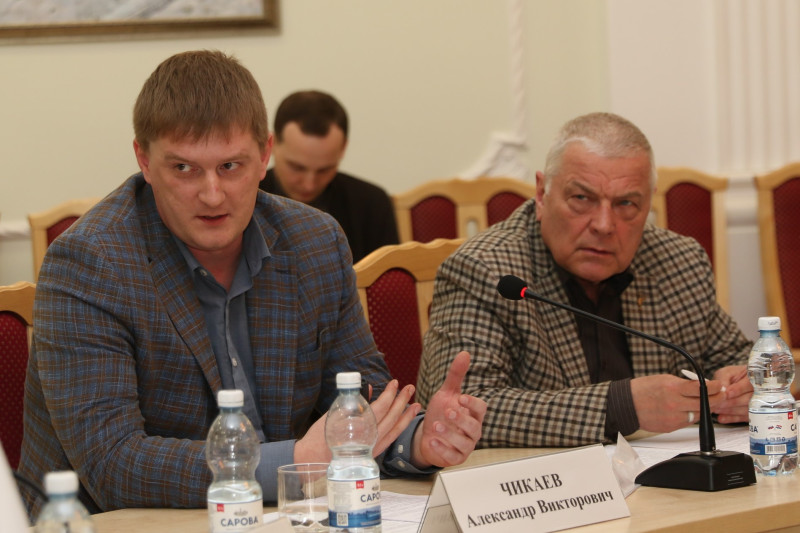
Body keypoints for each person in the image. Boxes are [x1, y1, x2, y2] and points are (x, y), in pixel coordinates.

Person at [18, 50, 486, 518]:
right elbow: (113, 463)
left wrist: (417, 441)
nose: (212, 195)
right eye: (183, 168)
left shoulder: (314, 241)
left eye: (230, 166)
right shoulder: (90, 263)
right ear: (144, 158)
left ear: (264, 156)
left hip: (283, 518)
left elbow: (359, 398)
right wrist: (297, 461)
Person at [416, 112, 752, 449]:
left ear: (648, 203)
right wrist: (620, 407)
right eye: (582, 199)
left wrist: (745, 385)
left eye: (626, 203)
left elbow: (736, 356)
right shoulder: (488, 272)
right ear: (542, 194)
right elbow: (456, 412)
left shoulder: (678, 261)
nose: (604, 225)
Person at [259, 90, 399, 262]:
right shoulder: (246, 198)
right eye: (297, 168)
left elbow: (390, 276)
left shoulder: (372, 204)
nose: (309, 184)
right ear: (271, 145)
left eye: (324, 170)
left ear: (343, 149)